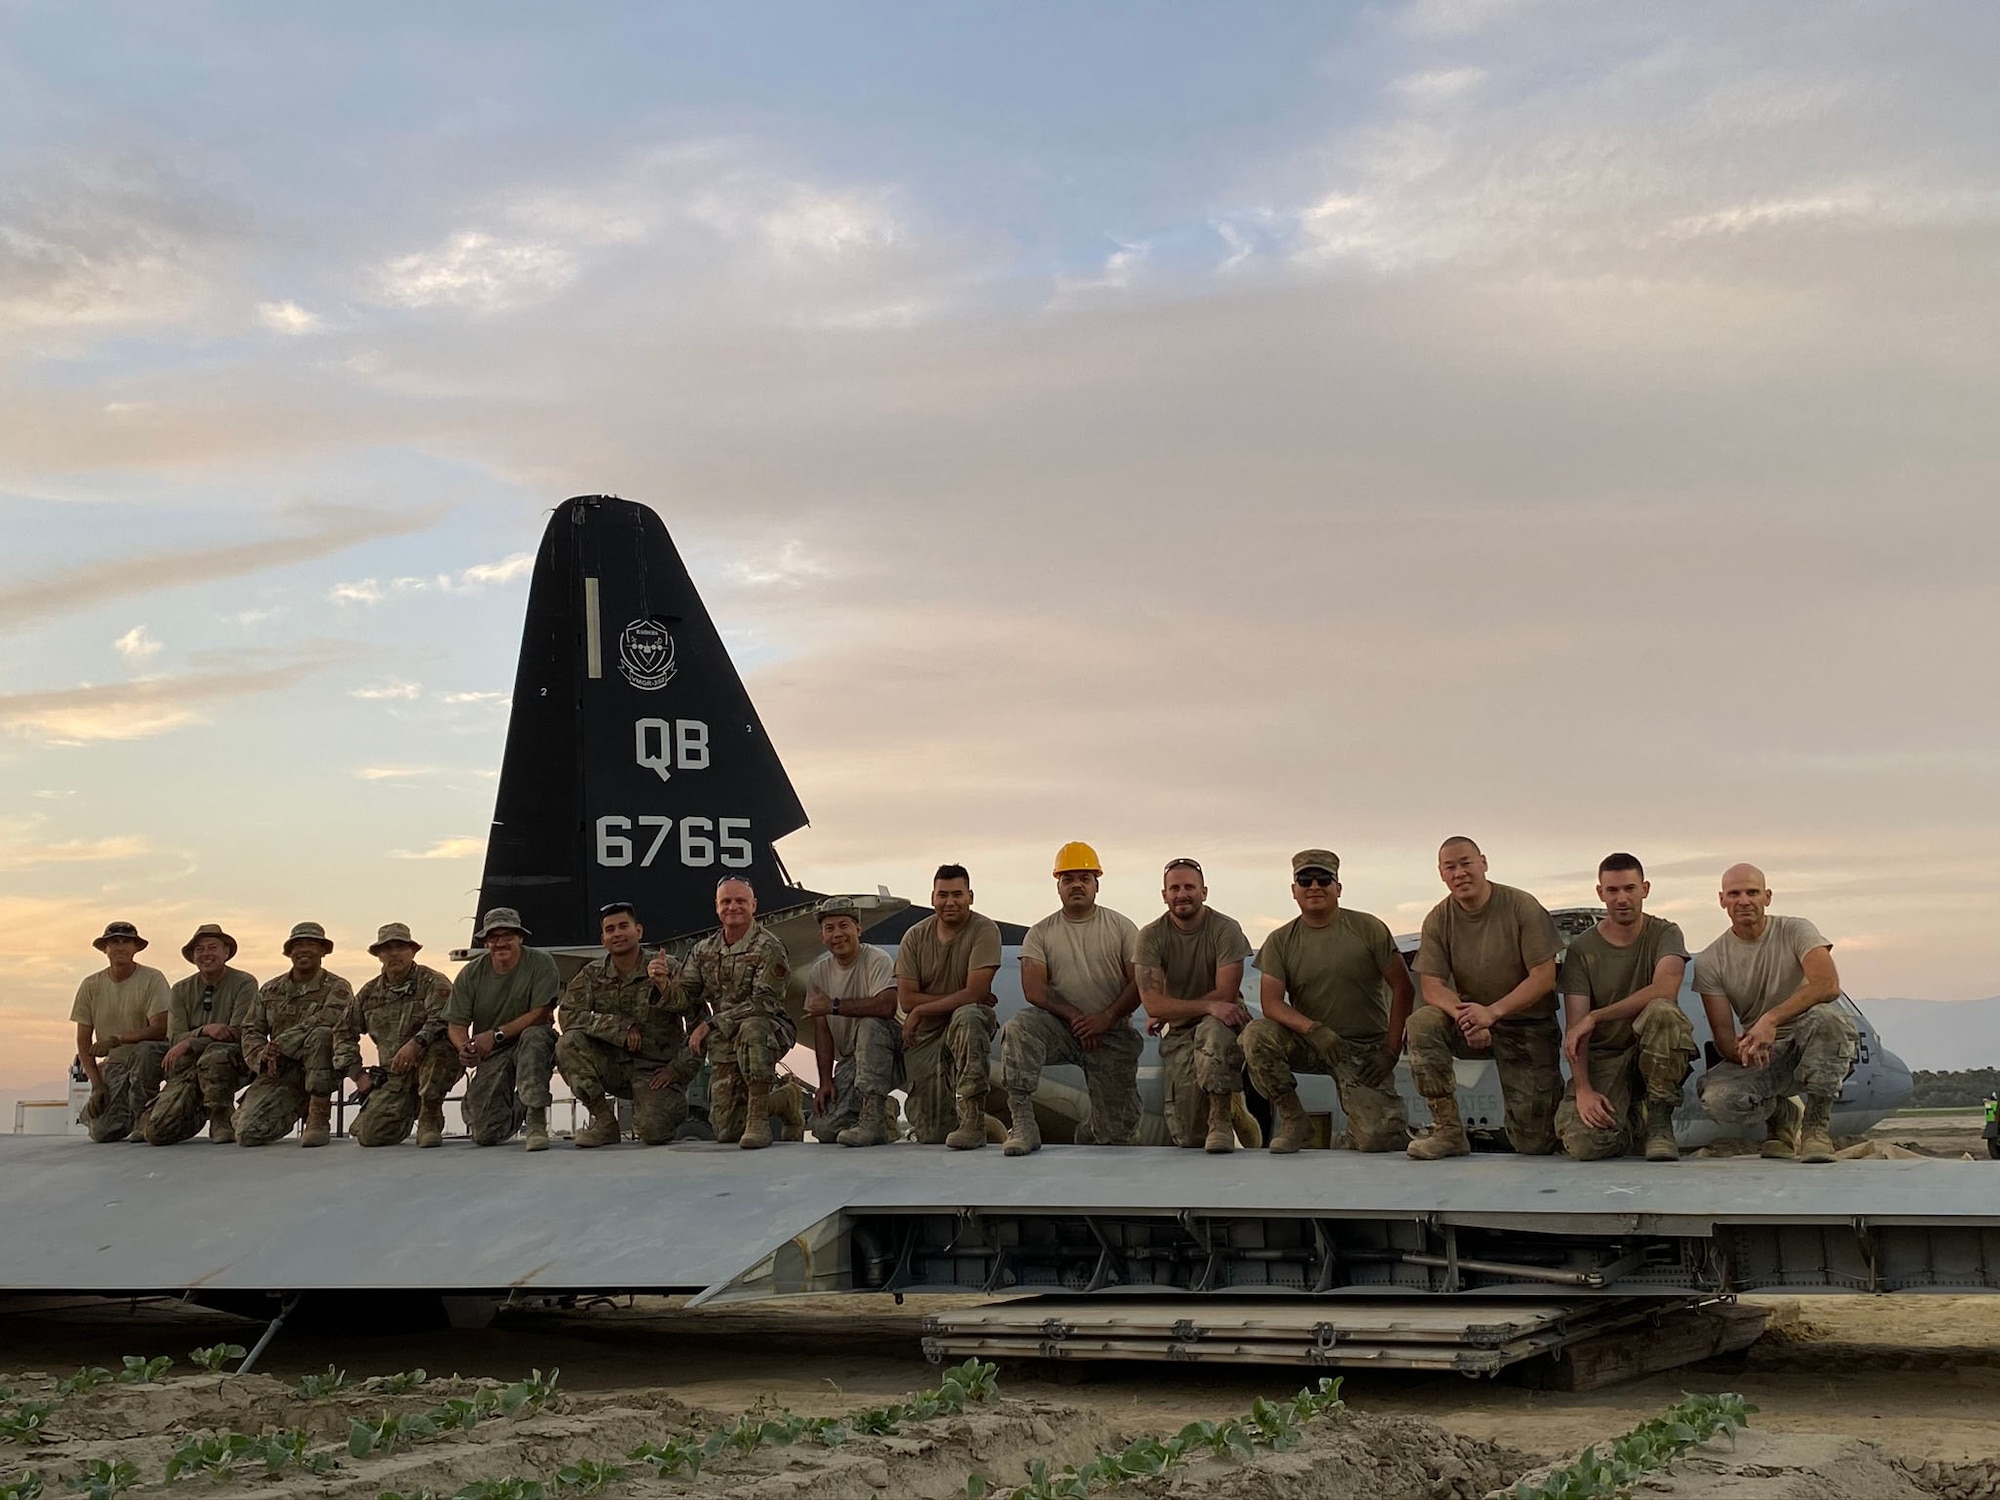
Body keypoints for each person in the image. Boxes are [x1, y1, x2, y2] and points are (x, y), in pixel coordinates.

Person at [1241, 850, 1413, 1154]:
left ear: (1339, 888)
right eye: (1305, 880)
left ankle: (1355, 1135)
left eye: (1324, 879)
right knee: (1256, 1035)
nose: (1314, 887)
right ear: (1294, 891)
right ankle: (1294, 1120)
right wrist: (1313, 1029)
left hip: (1362, 1050)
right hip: (1312, 1042)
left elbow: (1403, 987)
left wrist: (1390, 1049)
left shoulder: (1368, 928)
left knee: (1380, 1140)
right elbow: (1271, 1003)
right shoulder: (1281, 941)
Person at [1406, 837, 1562, 1159]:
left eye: (1466, 863)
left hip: (1526, 1025)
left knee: (1535, 1145)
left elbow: (1544, 977)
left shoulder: (1522, 906)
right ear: (1441, 874)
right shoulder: (1438, 919)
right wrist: (1468, 1016)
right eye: (1451, 867)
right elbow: (1432, 987)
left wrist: (1492, 1013)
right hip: (1472, 1024)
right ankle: (1448, 1131)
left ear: (1484, 863)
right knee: (1422, 1023)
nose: (1460, 873)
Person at [1693, 863, 1858, 1164]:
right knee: (1717, 1100)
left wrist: (1770, 1019)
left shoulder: (1796, 930)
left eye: (1752, 892)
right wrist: (1746, 1049)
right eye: (1734, 893)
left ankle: (1816, 1126)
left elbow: (1828, 984)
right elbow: (1724, 1040)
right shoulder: (1710, 961)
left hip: (1809, 1042)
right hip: (1765, 1056)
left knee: (1828, 1020)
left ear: (1767, 896)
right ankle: (1782, 1113)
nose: (1744, 900)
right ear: (1722, 900)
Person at [1552, 855, 1698, 1163]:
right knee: (1584, 1144)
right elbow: (1576, 1031)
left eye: (1630, 888)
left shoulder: (1665, 934)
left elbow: (1665, 989)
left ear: (1644, 889)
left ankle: (1659, 1121)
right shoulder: (1581, 951)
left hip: (1654, 1051)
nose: (1621, 898)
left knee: (1662, 1012)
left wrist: (1598, 1015)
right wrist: (1584, 1090)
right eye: (1613, 890)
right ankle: (1634, 1123)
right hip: (1608, 1058)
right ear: (1600, 892)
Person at [1000, 841, 1141, 1156]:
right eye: (1068, 878)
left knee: (1116, 1136)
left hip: (1112, 1031)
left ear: (1096, 885)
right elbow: (1034, 989)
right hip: (1063, 1028)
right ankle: (1023, 1123)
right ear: (1058, 886)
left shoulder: (1122, 928)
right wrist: (1076, 1017)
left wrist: (1105, 1019)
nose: (1077, 884)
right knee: (1020, 1028)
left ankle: (1091, 1130)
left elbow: (1139, 982)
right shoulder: (1040, 933)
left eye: (1085, 878)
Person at [556, 903, 701, 1147]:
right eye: (610, 929)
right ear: (603, 939)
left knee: (653, 1131)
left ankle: (664, 1105)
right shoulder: (592, 974)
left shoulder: (668, 968)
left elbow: (699, 1022)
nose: (617, 934)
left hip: (656, 1072)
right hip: (614, 1066)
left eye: (624, 926)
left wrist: (678, 1071)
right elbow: (568, 1015)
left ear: (639, 931)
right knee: (567, 1043)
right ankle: (604, 1122)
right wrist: (619, 1028)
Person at [1135, 858, 1253, 1153]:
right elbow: (1152, 1003)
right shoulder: (1150, 936)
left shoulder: (1225, 929)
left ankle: (1222, 1119)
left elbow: (1225, 994)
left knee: (1215, 1030)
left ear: (1204, 892)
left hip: (1224, 1020)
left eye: (1189, 886)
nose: (1181, 894)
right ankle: (1236, 1109)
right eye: (1174, 888)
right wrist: (1191, 1008)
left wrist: (1172, 1008)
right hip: (1182, 1028)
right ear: (1164, 895)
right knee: (1188, 1138)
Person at [677, 877, 793, 1150]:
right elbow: (685, 994)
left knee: (752, 1026)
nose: (733, 907)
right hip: (725, 1041)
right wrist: (662, 983)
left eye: (741, 901)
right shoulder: (703, 950)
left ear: (753, 905)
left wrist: (711, 1023)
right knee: (727, 1130)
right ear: (717, 907)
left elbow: (764, 1002)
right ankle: (785, 1100)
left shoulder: (769, 947)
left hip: (768, 1031)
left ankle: (759, 1122)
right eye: (726, 901)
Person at [895, 864, 1002, 1150]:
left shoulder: (984, 930)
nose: (950, 902)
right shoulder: (915, 937)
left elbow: (976, 993)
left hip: (963, 1026)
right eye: (943, 895)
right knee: (932, 1134)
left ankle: (974, 1121)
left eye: (957, 894)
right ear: (932, 898)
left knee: (968, 1016)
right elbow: (906, 999)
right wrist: (964, 995)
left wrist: (922, 1008)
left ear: (971, 896)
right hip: (926, 1036)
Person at [446, 907, 562, 1151]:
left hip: (532, 1040)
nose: (501, 943)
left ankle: (536, 1121)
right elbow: (456, 1022)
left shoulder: (541, 963)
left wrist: (495, 1034)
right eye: (494, 937)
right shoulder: (470, 975)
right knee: (484, 1132)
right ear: (486, 942)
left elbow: (541, 1013)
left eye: (507, 935)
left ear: (520, 937)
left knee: (533, 1038)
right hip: (494, 1051)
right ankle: (518, 1103)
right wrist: (465, 1047)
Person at [339, 923, 463, 1148]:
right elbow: (343, 1033)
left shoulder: (433, 982)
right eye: (387, 948)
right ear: (378, 955)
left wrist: (416, 1043)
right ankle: (408, 1106)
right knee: (369, 1135)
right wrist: (358, 1075)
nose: (394, 953)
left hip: (431, 1062)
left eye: (401, 947)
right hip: (394, 1074)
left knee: (440, 1049)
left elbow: (446, 1018)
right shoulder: (369, 993)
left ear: (413, 951)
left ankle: (429, 1117)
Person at [136, 924, 258, 1146]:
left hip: (230, 1060)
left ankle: (220, 1116)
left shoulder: (245, 983)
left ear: (226, 952)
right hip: (187, 1063)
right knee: (156, 1132)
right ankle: (145, 1114)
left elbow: (237, 1032)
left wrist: (191, 1041)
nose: (206, 954)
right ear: (192, 956)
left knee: (216, 1052)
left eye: (213, 947)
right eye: (200, 949)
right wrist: (204, 1031)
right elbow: (175, 1037)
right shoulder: (181, 989)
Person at [237, 922, 352, 1148]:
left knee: (322, 1035)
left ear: (323, 951)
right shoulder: (270, 990)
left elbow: (330, 1020)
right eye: (298, 945)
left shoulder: (338, 987)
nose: (304, 950)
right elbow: (251, 1029)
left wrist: (279, 1045)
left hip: (319, 1068)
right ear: (289, 952)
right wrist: (261, 1054)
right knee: (247, 1133)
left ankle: (318, 1115)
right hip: (279, 1071)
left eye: (311, 944)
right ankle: (293, 1104)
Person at [803, 896, 902, 1147]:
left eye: (844, 925)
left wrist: (833, 1006)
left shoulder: (876, 960)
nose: (838, 934)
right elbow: (822, 1029)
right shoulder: (818, 973)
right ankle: (884, 1114)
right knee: (824, 1130)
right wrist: (825, 1080)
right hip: (853, 1060)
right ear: (822, 937)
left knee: (870, 1024)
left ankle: (872, 1119)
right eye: (830, 928)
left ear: (858, 929)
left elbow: (887, 1007)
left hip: (893, 1053)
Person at [70, 921, 171, 1143]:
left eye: (126, 941)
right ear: (105, 949)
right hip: (116, 1064)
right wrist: (97, 1085)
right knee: (102, 1132)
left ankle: (149, 1113)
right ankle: (124, 1114)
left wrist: (118, 1039)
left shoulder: (152, 979)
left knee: (144, 1052)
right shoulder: (90, 985)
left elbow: (160, 1029)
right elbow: (83, 1040)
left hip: (151, 1059)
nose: (120, 947)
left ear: (136, 947)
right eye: (114, 942)